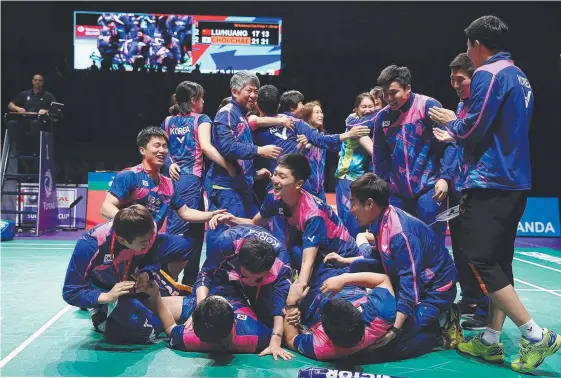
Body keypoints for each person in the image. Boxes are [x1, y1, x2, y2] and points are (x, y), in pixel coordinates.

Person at [429, 15, 560, 373]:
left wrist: (449, 123)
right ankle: (489, 339)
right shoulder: (519, 74)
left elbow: (474, 126)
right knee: (500, 260)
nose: (468, 54)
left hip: (490, 181)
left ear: (476, 44)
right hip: (516, 179)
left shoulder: (489, 73)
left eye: (468, 46)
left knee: (480, 259)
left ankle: (534, 335)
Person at [326, 173, 461, 360]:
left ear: (370, 204)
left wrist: (394, 330)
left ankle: (443, 327)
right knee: (358, 267)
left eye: (354, 202)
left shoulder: (401, 234)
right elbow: (381, 254)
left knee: (391, 345)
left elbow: (410, 285)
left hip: (435, 291)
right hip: (410, 279)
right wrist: (346, 260)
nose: (351, 209)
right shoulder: (380, 219)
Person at [222, 154, 369, 305]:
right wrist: (232, 220)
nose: (275, 180)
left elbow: (307, 263)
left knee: (320, 303)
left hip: (339, 260)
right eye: (275, 174)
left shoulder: (313, 214)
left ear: (298, 184)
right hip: (311, 253)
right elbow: (255, 223)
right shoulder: (274, 198)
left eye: (282, 176)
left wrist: (297, 292)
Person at [100, 126, 225, 281]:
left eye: (165, 146)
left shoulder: (168, 184)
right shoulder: (130, 176)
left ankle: (168, 280)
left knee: (186, 245)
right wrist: (133, 222)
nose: (162, 150)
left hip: (151, 241)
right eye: (156, 146)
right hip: (127, 241)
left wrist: (212, 214)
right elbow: (106, 208)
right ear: (142, 150)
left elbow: (185, 212)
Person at [370, 65, 457, 244]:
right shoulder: (382, 118)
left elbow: (450, 143)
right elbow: (380, 157)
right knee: (400, 243)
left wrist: (445, 178)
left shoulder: (428, 107)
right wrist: (384, 186)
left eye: (393, 93)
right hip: (397, 192)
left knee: (430, 242)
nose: (389, 99)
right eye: (385, 94)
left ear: (408, 88)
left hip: (430, 188)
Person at [160, 81, 233, 285]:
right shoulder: (202, 119)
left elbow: (161, 149)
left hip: (180, 180)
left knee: (196, 231)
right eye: (201, 98)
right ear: (193, 101)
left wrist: (169, 163)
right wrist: (230, 167)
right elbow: (207, 148)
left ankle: (190, 281)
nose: (203, 102)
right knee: (179, 232)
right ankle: (166, 280)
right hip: (188, 181)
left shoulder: (167, 121)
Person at [62, 205, 169, 344]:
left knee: (160, 322)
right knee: (145, 333)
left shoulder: (149, 231)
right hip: (102, 287)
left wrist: (146, 274)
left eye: (151, 238)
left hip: (130, 282)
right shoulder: (90, 245)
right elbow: (71, 292)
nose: (150, 243)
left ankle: (120, 305)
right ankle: (97, 311)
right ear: (122, 240)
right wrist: (107, 296)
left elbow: (154, 261)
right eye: (143, 243)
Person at [193, 225, 295, 359]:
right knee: (215, 306)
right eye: (246, 275)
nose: (250, 281)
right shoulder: (226, 243)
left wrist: (276, 340)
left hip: (264, 286)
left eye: (258, 278)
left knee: (267, 317)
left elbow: (279, 304)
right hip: (228, 277)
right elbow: (206, 274)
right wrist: (201, 309)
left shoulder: (282, 266)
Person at [206, 71, 281, 248]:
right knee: (227, 234)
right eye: (250, 90)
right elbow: (228, 147)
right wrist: (259, 150)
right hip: (227, 188)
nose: (254, 95)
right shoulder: (227, 113)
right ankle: (213, 274)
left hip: (239, 186)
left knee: (248, 229)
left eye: (257, 91)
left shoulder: (241, 115)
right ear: (235, 92)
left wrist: (253, 174)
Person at [138, 282, 294, 359]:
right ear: (235, 320)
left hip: (208, 297)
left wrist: (156, 295)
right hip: (239, 294)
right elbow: (284, 328)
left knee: (143, 306)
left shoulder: (188, 338)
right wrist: (295, 309)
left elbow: (170, 327)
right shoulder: (256, 336)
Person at [446, 53, 489, 330]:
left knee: (478, 251)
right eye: (452, 79)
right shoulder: (461, 107)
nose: (456, 84)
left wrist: (452, 128)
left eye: (460, 79)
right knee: (461, 250)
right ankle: (471, 298)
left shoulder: (480, 108)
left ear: (475, 78)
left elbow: (475, 140)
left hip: (477, 187)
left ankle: (486, 308)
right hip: (457, 188)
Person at [282, 270, 396, 361]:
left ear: (324, 330)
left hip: (315, 290)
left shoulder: (320, 347)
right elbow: (383, 280)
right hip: (346, 275)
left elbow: (291, 339)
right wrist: (344, 278)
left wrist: (291, 303)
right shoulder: (381, 314)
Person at [335, 92, 382, 238]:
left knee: (363, 221)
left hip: (360, 178)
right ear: (356, 109)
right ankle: (349, 256)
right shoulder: (356, 125)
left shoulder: (364, 124)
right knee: (351, 223)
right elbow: (375, 153)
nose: (368, 110)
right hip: (347, 177)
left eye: (371, 106)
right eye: (364, 107)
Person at [7, 73, 56, 154]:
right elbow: (10, 104)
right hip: (25, 119)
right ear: (32, 81)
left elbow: (55, 109)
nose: (37, 82)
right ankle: (20, 147)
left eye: (40, 81)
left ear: (43, 83)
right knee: (12, 123)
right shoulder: (25, 94)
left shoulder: (48, 95)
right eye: (35, 80)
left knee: (35, 123)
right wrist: (18, 108)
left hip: (40, 121)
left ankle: (35, 149)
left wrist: (46, 111)